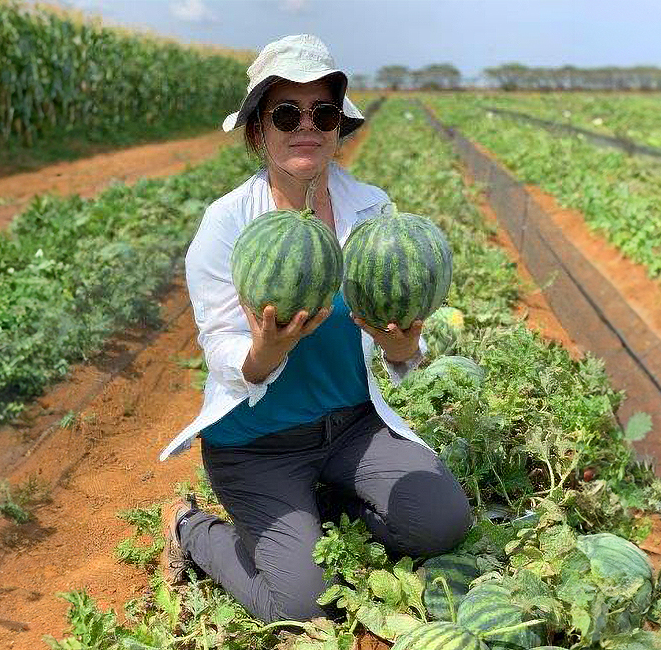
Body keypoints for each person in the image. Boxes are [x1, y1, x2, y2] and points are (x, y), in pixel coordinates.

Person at [157, 34, 471, 624]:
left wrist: (405, 348)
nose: (307, 126)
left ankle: (316, 509)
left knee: (442, 522)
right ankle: (193, 529)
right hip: (258, 445)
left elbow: (399, 332)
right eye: (286, 114)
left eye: (323, 113)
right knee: (303, 604)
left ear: (339, 128)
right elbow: (220, 344)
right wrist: (262, 354)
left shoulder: (375, 211)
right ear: (258, 131)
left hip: (352, 428)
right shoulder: (227, 224)